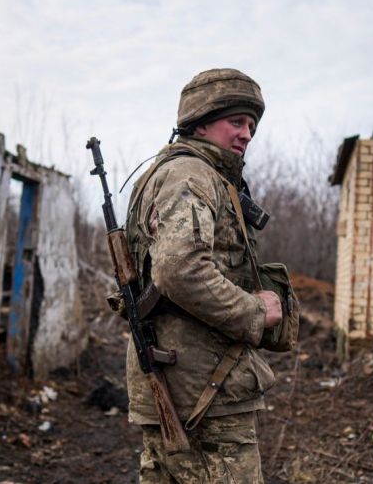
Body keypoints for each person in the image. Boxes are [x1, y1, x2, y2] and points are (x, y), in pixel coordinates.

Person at [125, 68, 285, 483]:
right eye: (236, 121)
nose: (247, 134)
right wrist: (254, 312)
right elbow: (180, 270)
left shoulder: (189, 174)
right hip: (203, 391)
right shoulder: (190, 175)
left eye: (250, 125)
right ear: (201, 122)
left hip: (187, 380)